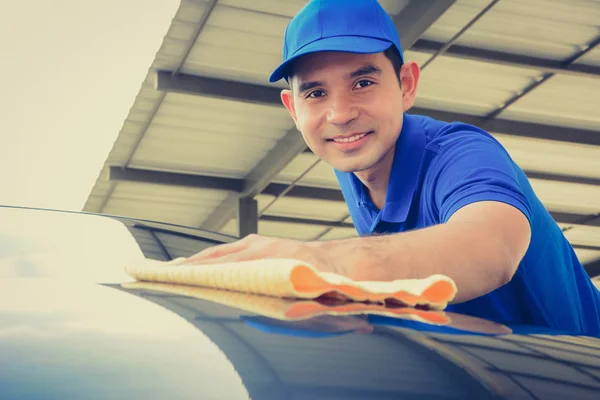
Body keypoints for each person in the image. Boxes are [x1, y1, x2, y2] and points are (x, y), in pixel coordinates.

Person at [182, 0, 600, 335]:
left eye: (362, 83)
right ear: (293, 109)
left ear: (406, 85)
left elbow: (492, 248)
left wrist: (319, 260)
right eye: (315, 93)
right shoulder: (352, 162)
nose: (341, 114)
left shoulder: (461, 154)